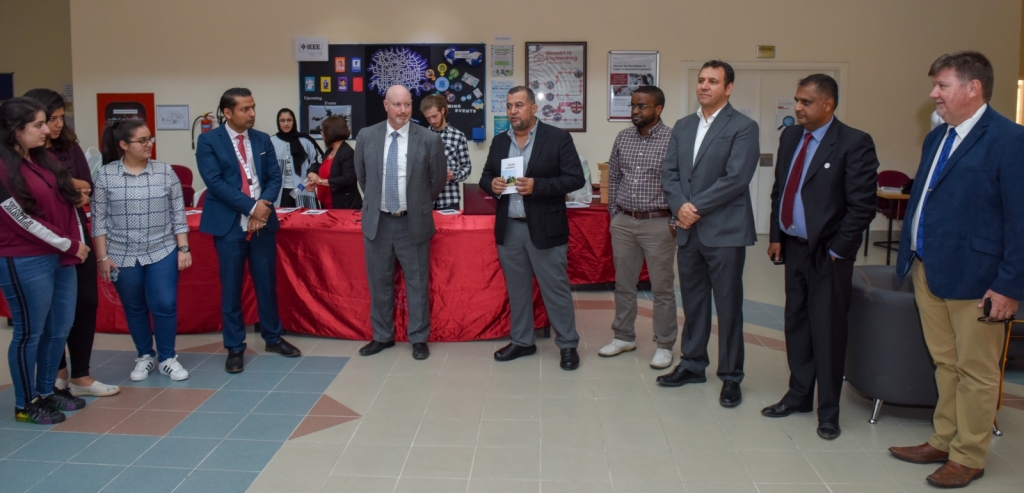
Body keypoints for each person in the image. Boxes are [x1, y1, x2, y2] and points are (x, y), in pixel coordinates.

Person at [889, 51, 1024, 489]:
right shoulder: (938, 138)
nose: (934, 94)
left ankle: (969, 456)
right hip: (929, 269)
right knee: (945, 364)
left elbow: (1020, 220)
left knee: (977, 371)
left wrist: (1009, 285)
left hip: (978, 278)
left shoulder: (1010, 140)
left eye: (942, 86)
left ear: (973, 88)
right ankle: (944, 439)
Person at [761, 74, 879, 440]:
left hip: (828, 253)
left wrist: (837, 250)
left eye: (806, 102)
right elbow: (781, 190)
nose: (797, 107)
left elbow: (862, 207)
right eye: (797, 100)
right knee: (796, 324)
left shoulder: (854, 142)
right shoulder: (791, 137)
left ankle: (828, 411)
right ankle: (798, 396)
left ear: (828, 104)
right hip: (794, 248)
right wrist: (777, 234)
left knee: (827, 330)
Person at [658, 60, 759, 407]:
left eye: (713, 81)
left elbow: (736, 178)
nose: (704, 86)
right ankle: (692, 364)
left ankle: (730, 376)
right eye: (701, 80)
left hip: (725, 232)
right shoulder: (683, 126)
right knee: (694, 302)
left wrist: (693, 208)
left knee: (728, 307)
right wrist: (679, 206)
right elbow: (669, 173)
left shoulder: (743, 127)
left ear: (728, 88)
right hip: (689, 232)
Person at [479, 86, 586, 370]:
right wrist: (492, 184)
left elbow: (575, 178)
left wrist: (538, 186)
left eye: (519, 105)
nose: (513, 111)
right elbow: (486, 175)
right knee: (517, 290)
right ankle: (522, 341)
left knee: (555, 289)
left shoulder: (558, 138)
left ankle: (567, 344)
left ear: (533, 108)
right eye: (509, 106)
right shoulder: (500, 141)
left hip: (545, 228)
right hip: (510, 229)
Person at [195, 88, 301, 373]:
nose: (252, 113)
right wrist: (252, 207)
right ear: (227, 113)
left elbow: (274, 177)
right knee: (231, 288)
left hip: (262, 223)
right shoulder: (209, 141)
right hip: (230, 224)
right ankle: (234, 346)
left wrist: (262, 207)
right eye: (245, 109)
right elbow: (215, 182)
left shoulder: (262, 139)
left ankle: (272, 337)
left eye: (253, 107)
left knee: (266, 283)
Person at [23, 88, 119, 397]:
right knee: (51, 310)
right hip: (42, 237)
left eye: (60, 118)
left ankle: (81, 375)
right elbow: (47, 190)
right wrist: (68, 188)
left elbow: (87, 185)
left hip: (77, 233)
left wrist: (72, 189)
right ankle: (57, 373)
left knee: (85, 304)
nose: (56, 125)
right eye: (49, 119)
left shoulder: (68, 144)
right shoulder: (24, 154)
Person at [0, 97, 90, 424]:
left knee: (59, 327)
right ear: (15, 130)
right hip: (25, 258)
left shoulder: (42, 158)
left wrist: (74, 243)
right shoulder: (3, 167)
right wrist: (69, 244)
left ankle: (46, 390)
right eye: (38, 124)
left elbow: (67, 199)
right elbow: (20, 219)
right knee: (30, 332)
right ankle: (25, 404)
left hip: (60, 255)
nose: (47, 129)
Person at [93, 120, 192, 381]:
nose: (149, 144)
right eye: (142, 140)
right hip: (121, 253)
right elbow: (99, 220)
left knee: (165, 303)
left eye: (150, 139)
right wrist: (102, 257)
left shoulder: (165, 171)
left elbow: (178, 214)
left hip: (162, 249)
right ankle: (145, 355)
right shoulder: (106, 175)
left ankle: (168, 358)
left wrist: (183, 248)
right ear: (124, 145)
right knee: (134, 306)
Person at [353, 85, 446, 360]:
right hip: (378, 223)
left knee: (417, 283)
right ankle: (382, 336)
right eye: (397, 105)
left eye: (407, 104)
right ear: (386, 105)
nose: (403, 110)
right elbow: (363, 177)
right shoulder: (366, 136)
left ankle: (418, 338)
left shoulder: (428, 139)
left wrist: (416, 203)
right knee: (379, 283)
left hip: (412, 223)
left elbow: (436, 181)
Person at [599, 86, 678, 369]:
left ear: (658, 109)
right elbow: (614, 177)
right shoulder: (623, 138)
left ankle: (665, 344)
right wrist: (614, 215)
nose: (635, 111)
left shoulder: (673, 139)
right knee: (624, 284)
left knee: (662, 288)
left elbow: (682, 182)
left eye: (642, 106)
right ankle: (623, 336)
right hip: (624, 221)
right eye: (633, 105)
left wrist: (673, 222)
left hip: (658, 223)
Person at [420, 95, 471, 209]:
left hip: (450, 200)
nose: (432, 121)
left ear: (442, 110)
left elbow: (467, 167)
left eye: (434, 116)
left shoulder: (458, 136)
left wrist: (453, 175)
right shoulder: (422, 137)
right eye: (428, 118)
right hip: (426, 200)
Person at [270, 108, 322, 208]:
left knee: (304, 216)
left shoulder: (305, 140)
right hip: (280, 191)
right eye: (282, 120)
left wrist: (312, 172)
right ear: (278, 122)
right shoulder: (271, 141)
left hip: (303, 188)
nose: (286, 124)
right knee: (281, 217)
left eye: (289, 120)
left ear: (294, 121)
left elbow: (318, 159)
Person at [307, 116, 361, 209]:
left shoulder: (347, 153)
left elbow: (347, 178)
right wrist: (316, 182)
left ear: (331, 132)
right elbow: (327, 173)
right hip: (327, 203)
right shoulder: (329, 151)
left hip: (344, 206)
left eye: (323, 132)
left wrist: (320, 181)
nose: (322, 135)